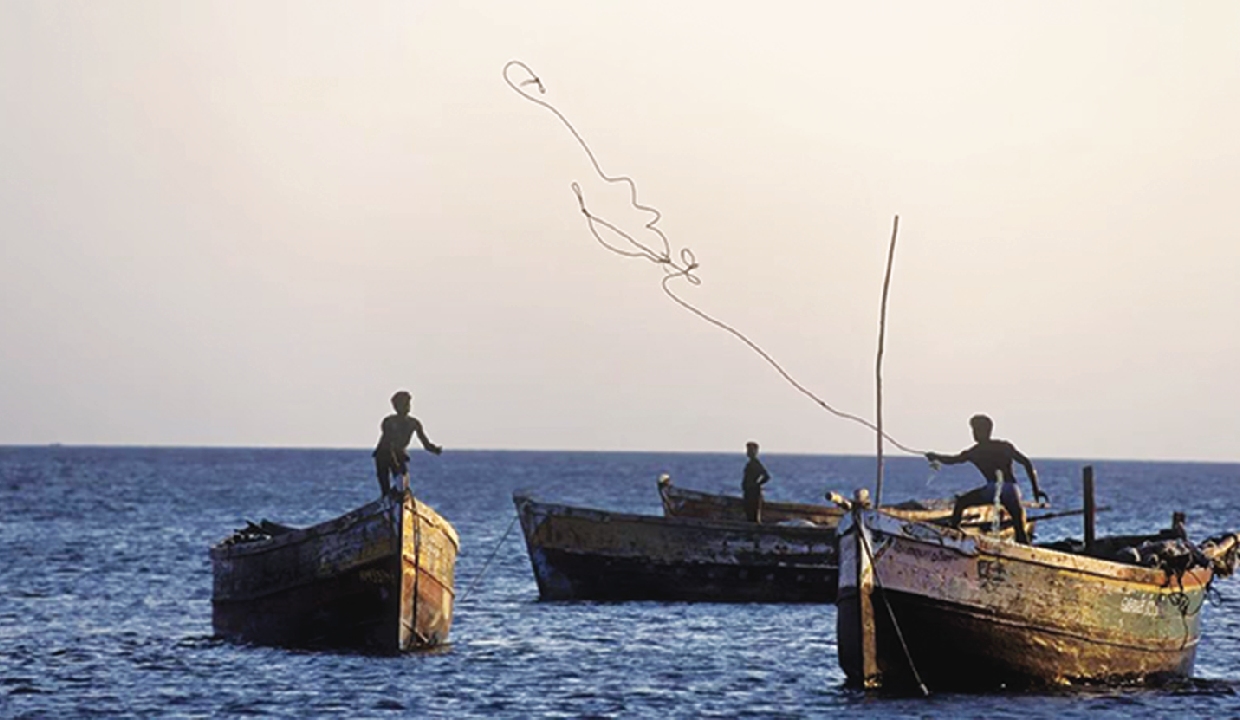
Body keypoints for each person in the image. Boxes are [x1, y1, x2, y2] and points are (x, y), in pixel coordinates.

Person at [925, 414, 1049, 545]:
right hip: (1011, 489)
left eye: (975, 430)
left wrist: (935, 457)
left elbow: (952, 460)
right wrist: (1036, 490)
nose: (973, 433)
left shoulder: (975, 451)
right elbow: (1026, 463)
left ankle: (953, 535)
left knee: (961, 502)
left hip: (992, 489)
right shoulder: (1004, 446)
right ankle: (1023, 546)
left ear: (984, 431)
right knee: (1019, 526)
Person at [373, 390, 442, 497]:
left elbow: (425, 442)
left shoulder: (414, 423)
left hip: (399, 454)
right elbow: (387, 442)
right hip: (384, 454)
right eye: (403, 404)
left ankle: (400, 496)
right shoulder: (389, 421)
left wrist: (434, 449)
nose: (406, 407)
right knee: (385, 480)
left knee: (403, 481)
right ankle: (386, 497)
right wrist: (395, 464)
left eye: (408, 404)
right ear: (395, 407)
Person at [741, 441, 771, 522]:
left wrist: (756, 484)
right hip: (748, 492)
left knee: (753, 513)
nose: (748, 452)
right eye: (748, 450)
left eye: (750, 450)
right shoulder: (750, 463)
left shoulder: (755, 463)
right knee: (748, 513)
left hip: (753, 493)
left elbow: (766, 476)